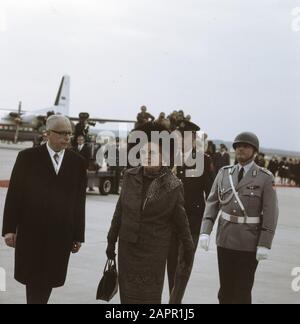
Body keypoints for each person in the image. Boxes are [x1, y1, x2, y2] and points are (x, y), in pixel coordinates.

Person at [106, 122, 194, 304]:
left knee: (149, 299)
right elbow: (119, 212)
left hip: (153, 252)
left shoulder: (173, 185)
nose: (147, 157)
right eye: (144, 153)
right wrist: (110, 241)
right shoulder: (130, 176)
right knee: (127, 300)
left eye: (152, 153)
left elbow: (182, 222)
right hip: (127, 249)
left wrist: (188, 249)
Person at [2, 115, 87, 304]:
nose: (67, 138)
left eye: (69, 134)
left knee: (49, 277)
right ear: (47, 134)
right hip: (31, 231)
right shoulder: (27, 158)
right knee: (33, 278)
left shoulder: (77, 163)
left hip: (60, 233)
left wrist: (78, 235)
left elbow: (79, 202)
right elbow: (14, 195)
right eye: (62, 133)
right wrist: (9, 229)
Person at [199, 132, 279, 304]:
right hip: (225, 238)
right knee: (225, 290)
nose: (241, 149)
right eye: (238, 146)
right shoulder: (224, 173)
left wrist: (265, 243)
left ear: (254, 151)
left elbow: (271, 213)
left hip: (249, 241)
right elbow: (212, 203)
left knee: (242, 290)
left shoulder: (265, 178)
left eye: (246, 146)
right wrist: (205, 231)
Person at [167, 121, 213, 304]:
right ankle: (174, 302)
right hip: (169, 223)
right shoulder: (171, 159)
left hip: (191, 223)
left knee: (183, 268)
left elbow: (210, 195)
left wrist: (207, 227)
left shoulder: (203, 160)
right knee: (171, 267)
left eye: (186, 137)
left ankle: (173, 305)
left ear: (194, 139)